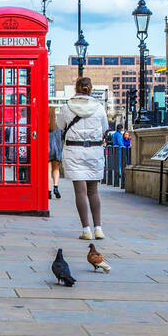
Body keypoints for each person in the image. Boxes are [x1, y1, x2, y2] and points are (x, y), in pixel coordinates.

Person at [56, 75, 111, 270]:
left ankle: (86, 229)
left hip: (74, 150)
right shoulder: (98, 107)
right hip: (94, 150)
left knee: (80, 191)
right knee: (93, 191)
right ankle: (99, 228)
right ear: (91, 89)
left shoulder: (67, 107)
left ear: (76, 89)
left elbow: (59, 126)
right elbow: (105, 128)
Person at [47, 106, 63, 200]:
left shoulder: (43, 125)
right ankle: (56, 187)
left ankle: (48, 191)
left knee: (48, 171)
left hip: (47, 150)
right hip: (56, 150)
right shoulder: (58, 126)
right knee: (56, 170)